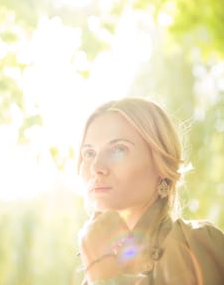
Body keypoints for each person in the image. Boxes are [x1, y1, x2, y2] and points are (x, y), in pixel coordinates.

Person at [76, 97, 224, 285]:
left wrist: (107, 277)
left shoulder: (199, 244)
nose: (96, 166)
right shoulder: (95, 261)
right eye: (89, 153)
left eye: (118, 149)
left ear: (161, 164)